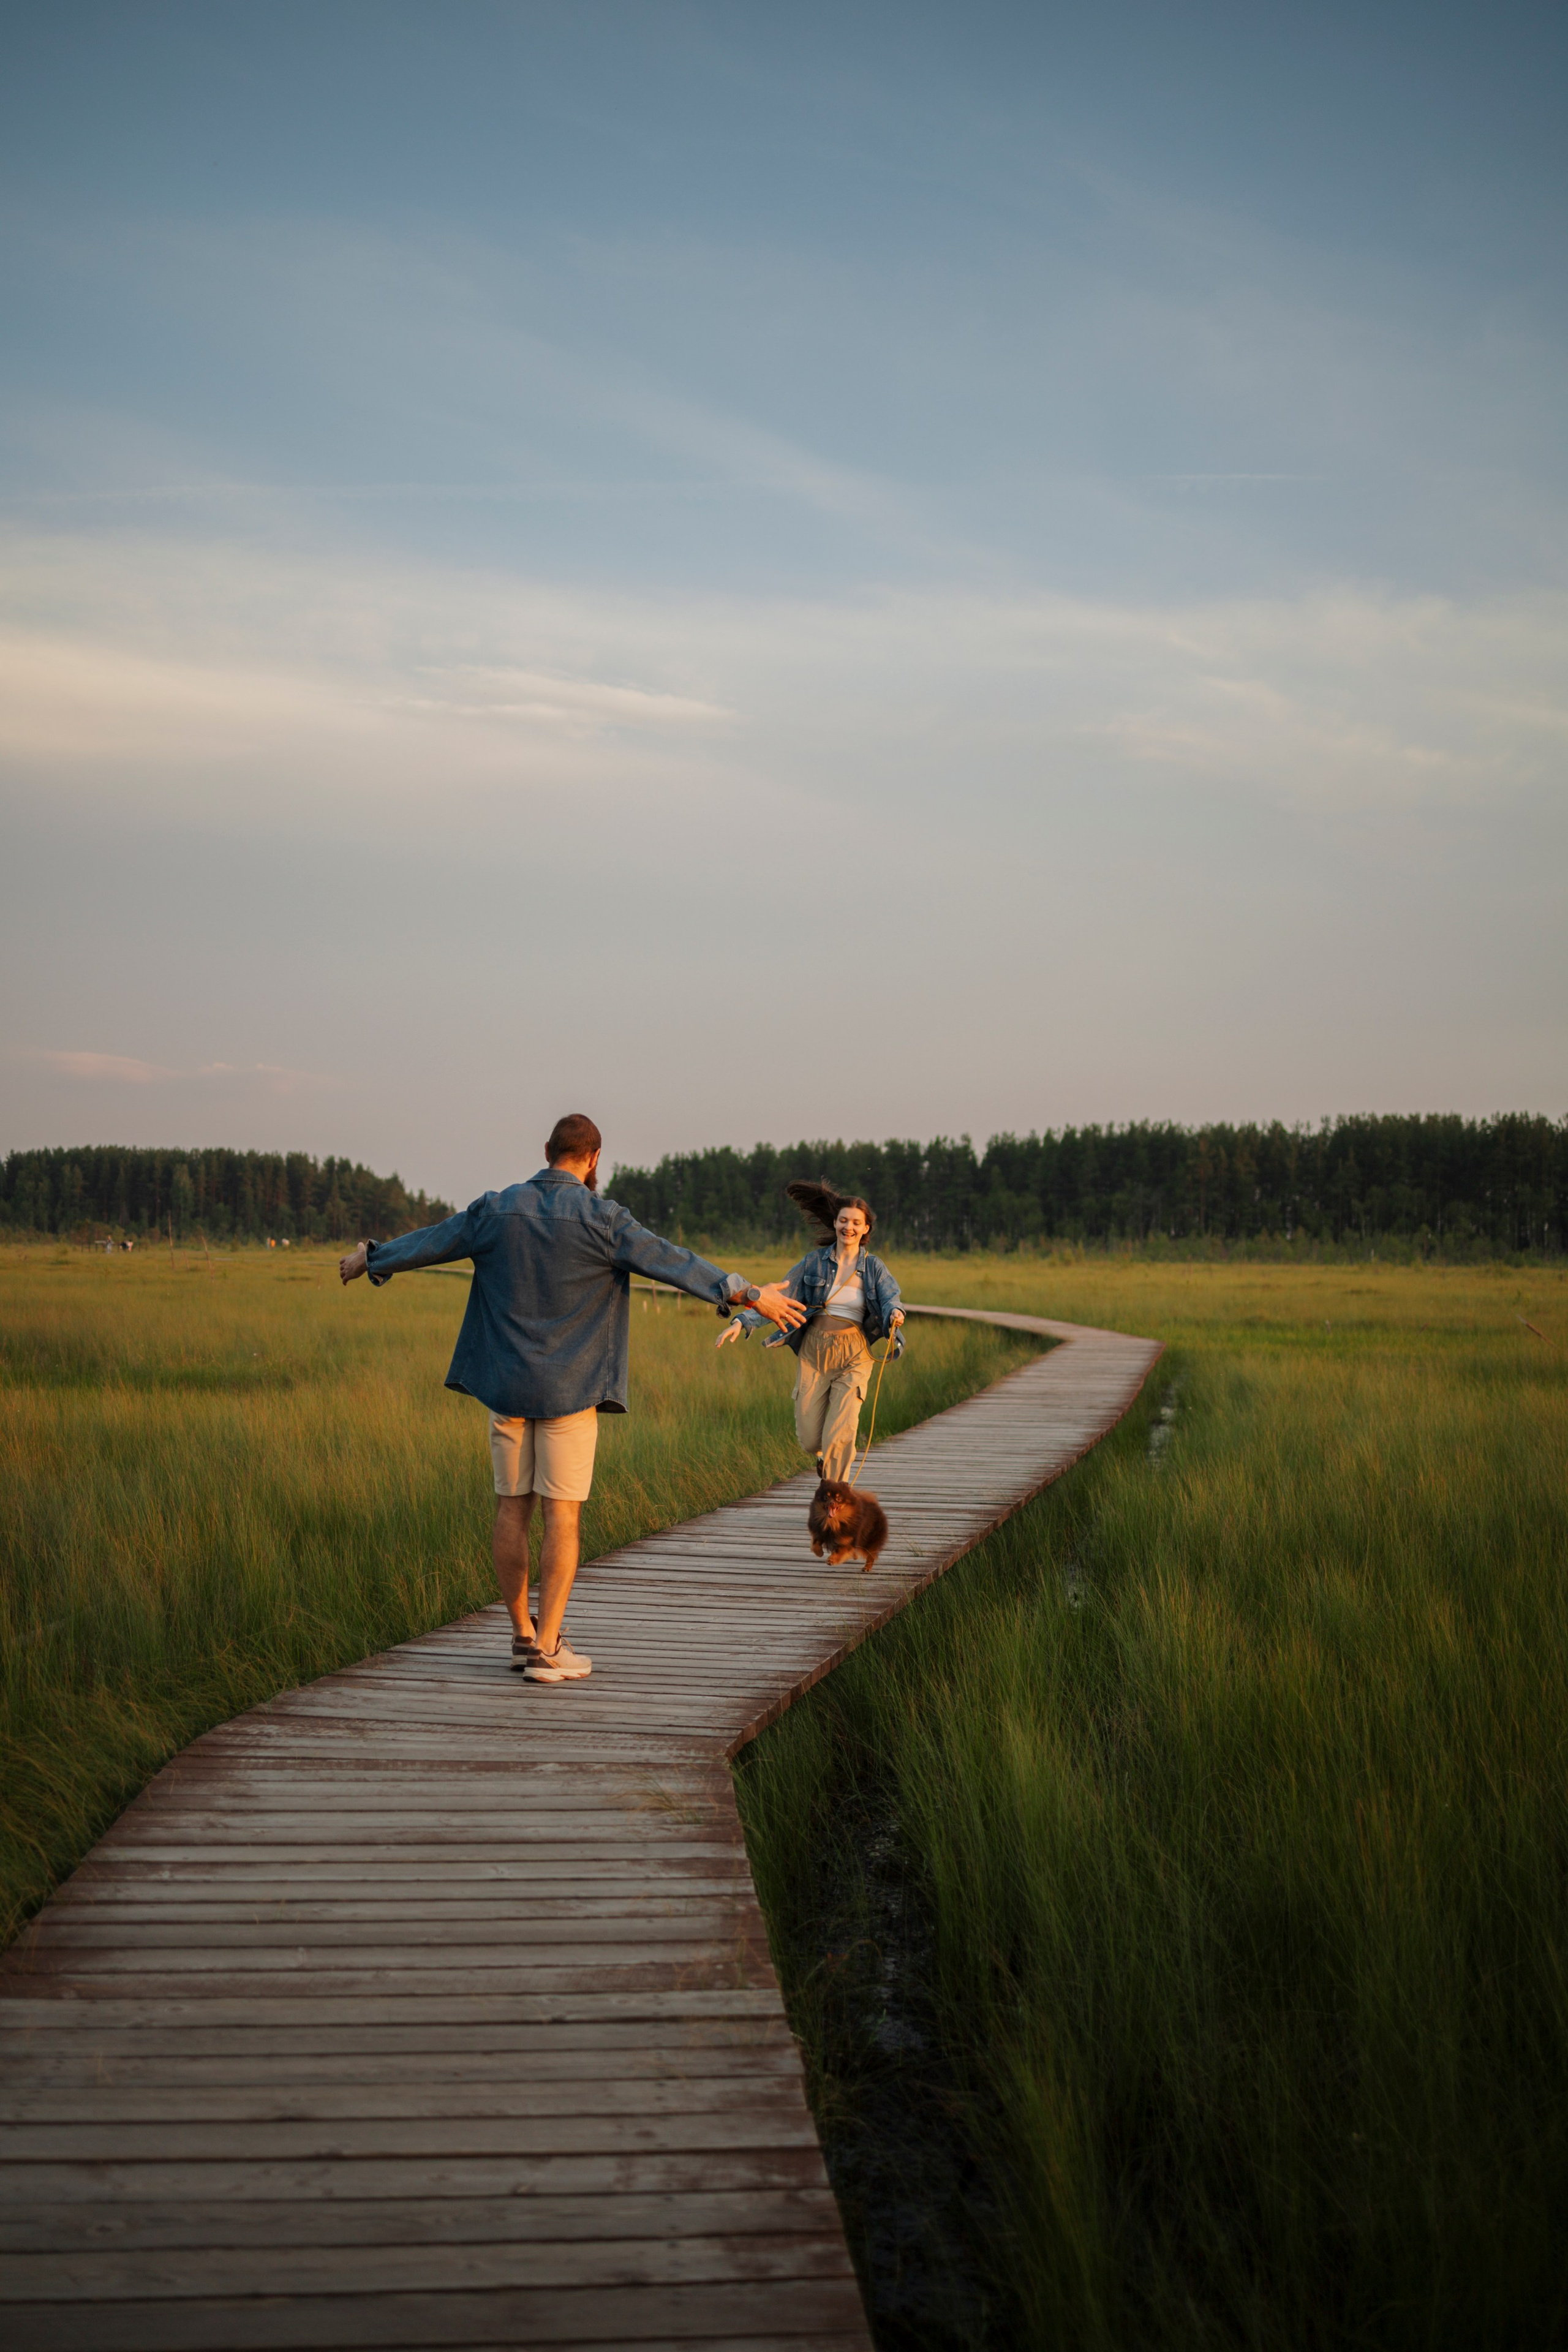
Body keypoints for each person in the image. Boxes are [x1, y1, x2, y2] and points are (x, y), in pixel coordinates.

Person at [339, 1115, 805, 1683]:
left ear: (547, 1150)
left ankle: (521, 1635)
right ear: (594, 1159)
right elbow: (674, 1260)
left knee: (512, 1508)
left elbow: (433, 1240)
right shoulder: (605, 1219)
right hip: (572, 1389)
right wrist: (749, 1294)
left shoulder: (495, 1209)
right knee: (562, 1515)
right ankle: (548, 1647)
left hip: (507, 1389)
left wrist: (370, 1258)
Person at [717, 1180, 904, 1484]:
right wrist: (742, 1322)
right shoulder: (813, 1263)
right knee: (809, 1438)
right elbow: (780, 1297)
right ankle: (822, 1458)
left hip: (855, 1353)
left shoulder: (874, 1268)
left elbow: (890, 1298)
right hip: (814, 1351)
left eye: (856, 1223)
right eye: (843, 1220)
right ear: (835, 1223)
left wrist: (895, 1313)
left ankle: (836, 1495)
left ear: (866, 1229)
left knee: (841, 1432)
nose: (849, 1227)